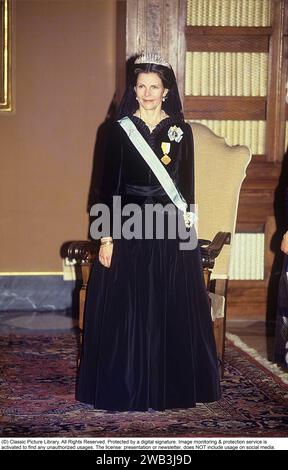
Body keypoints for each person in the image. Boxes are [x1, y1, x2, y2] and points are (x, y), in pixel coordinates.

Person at [76, 53, 221, 411]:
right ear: (134, 90)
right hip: (128, 225)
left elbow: (187, 186)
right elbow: (105, 187)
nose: (147, 93)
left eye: (154, 87)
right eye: (141, 86)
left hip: (171, 226)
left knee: (170, 304)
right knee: (129, 308)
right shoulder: (117, 130)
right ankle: (126, 385)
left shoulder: (180, 130)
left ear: (167, 91)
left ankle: (170, 386)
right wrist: (106, 237)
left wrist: (189, 228)